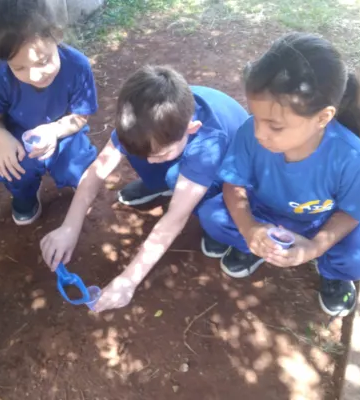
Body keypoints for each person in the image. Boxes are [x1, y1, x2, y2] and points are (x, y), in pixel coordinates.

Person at [198, 33, 360, 317]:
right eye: (256, 117)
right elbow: (233, 184)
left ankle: (333, 274)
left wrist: (314, 247)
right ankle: (256, 246)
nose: (259, 133)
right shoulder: (251, 133)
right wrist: (249, 228)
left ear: (323, 118)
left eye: (275, 126)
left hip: (322, 223)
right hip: (263, 211)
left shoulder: (351, 156)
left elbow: (351, 213)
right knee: (211, 215)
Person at [41, 65, 249, 312]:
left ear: (191, 129)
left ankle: (241, 241)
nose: (149, 162)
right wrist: (69, 227)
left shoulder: (208, 142)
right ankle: (161, 181)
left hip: (231, 167)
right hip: (175, 142)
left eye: (160, 155)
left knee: (176, 179)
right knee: (144, 151)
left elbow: (174, 218)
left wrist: (128, 280)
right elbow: (97, 171)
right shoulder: (140, 121)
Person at [0, 0, 98, 225]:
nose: (34, 76)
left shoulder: (78, 66)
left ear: (57, 34)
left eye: (43, 61)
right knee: (13, 168)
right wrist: (3, 140)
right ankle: (25, 195)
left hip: (63, 131)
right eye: (19, 68)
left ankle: (76, 181)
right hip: (17, 138)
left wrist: (54, 131)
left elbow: (80, 116)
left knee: (78, 168)